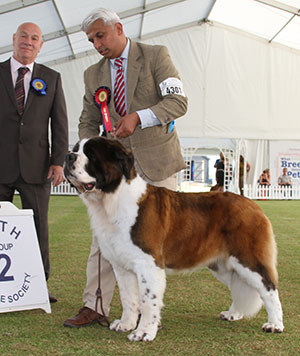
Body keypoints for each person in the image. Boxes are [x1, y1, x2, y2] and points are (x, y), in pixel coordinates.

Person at [63, 8, 188, 328]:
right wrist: (90, 149)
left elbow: (178, 102)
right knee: (104, 241)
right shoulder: (93, 74)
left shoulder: (156, 55)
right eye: (91, 40)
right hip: (113, 173)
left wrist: (139, 117)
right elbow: (87, 120)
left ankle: (150, 312)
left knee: (152, 243)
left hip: (156, 163)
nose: (96, 44)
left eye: (100, 36)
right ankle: (96, 305)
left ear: (118, 28)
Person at [0, 23, 69, 302]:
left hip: (38, 167)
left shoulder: (51, 78)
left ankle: (40, 284)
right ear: (13, 40)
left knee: (39, 226)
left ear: (41, 45)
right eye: (24, 37)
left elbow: (60, 123)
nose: (28, 42)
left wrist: (58, 162)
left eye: (35, 38)